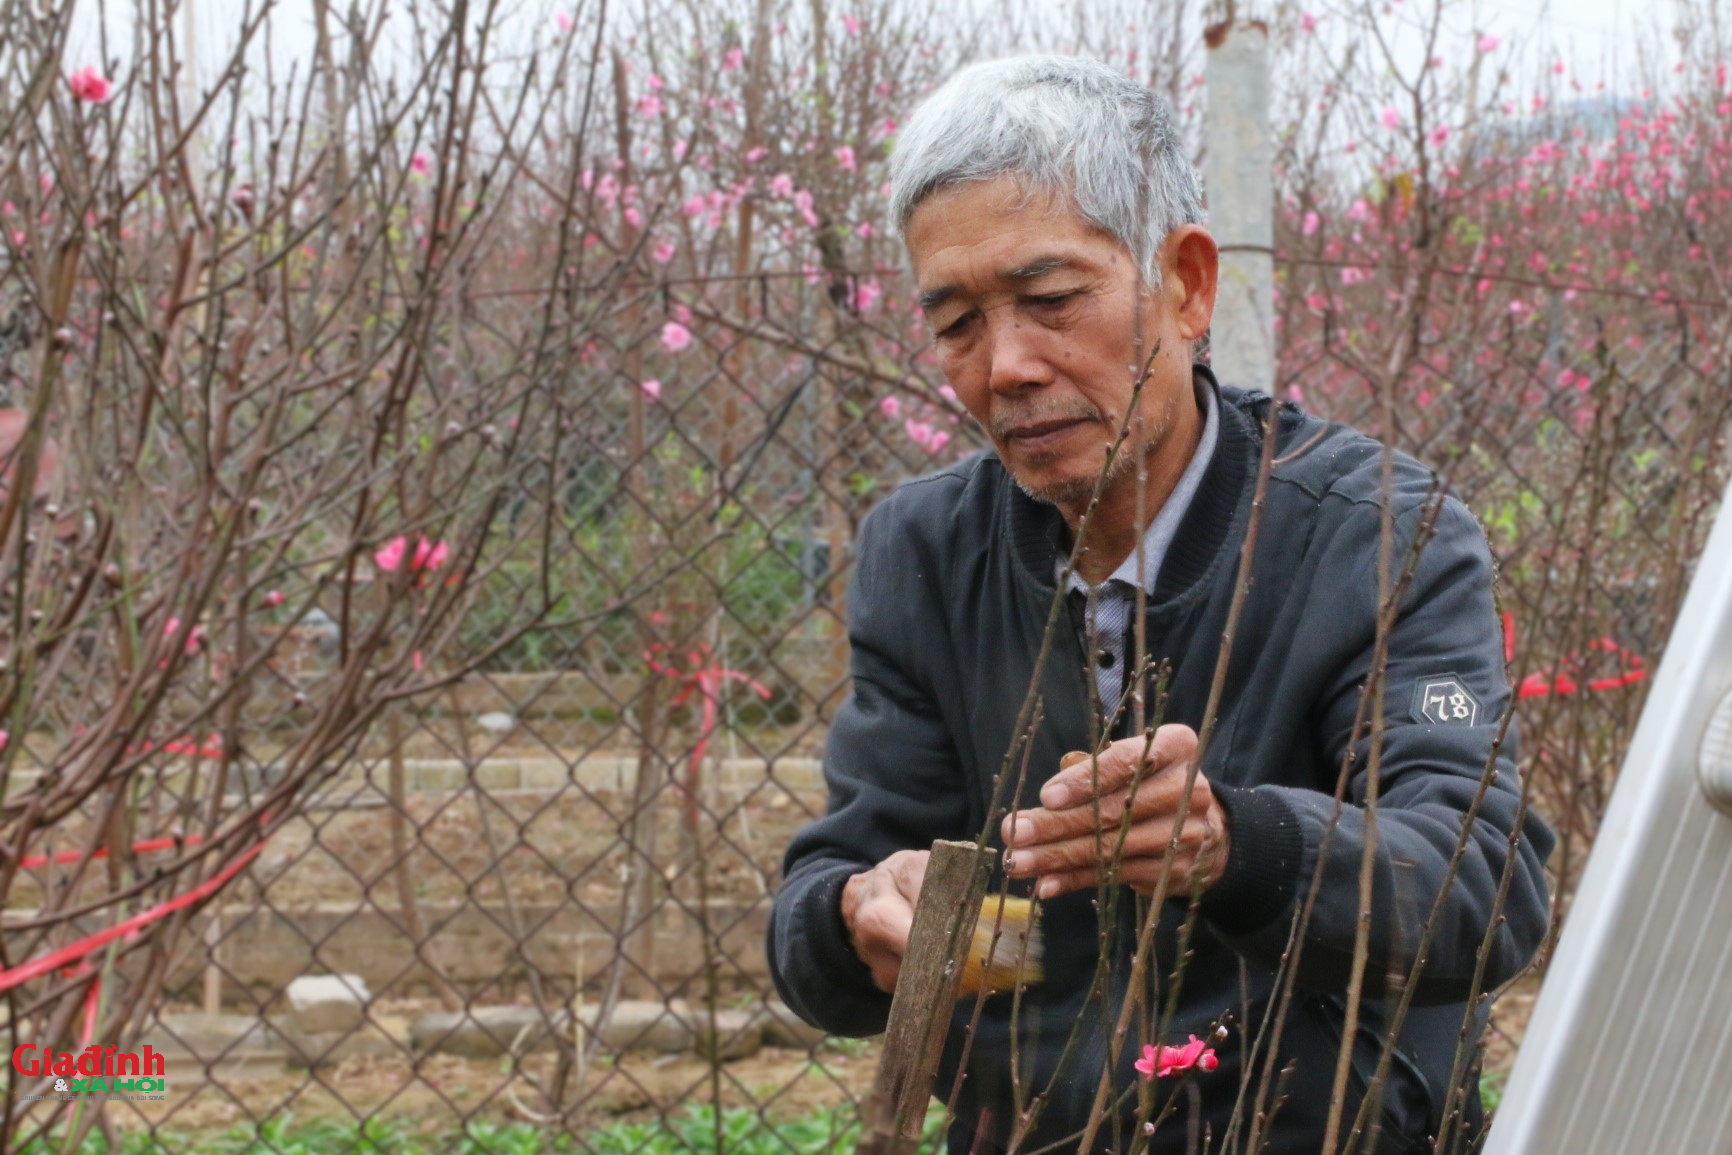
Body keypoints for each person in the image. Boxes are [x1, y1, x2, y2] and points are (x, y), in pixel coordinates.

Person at [766, 55, 1553, 1155]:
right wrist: (861, 918)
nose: (1006, 367)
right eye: (954, 324)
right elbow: (838, 890)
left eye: (1050, 301)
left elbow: (1483, 886)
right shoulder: (924, 554)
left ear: (1186, 283)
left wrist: (1237, 843)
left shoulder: (1377, 533)